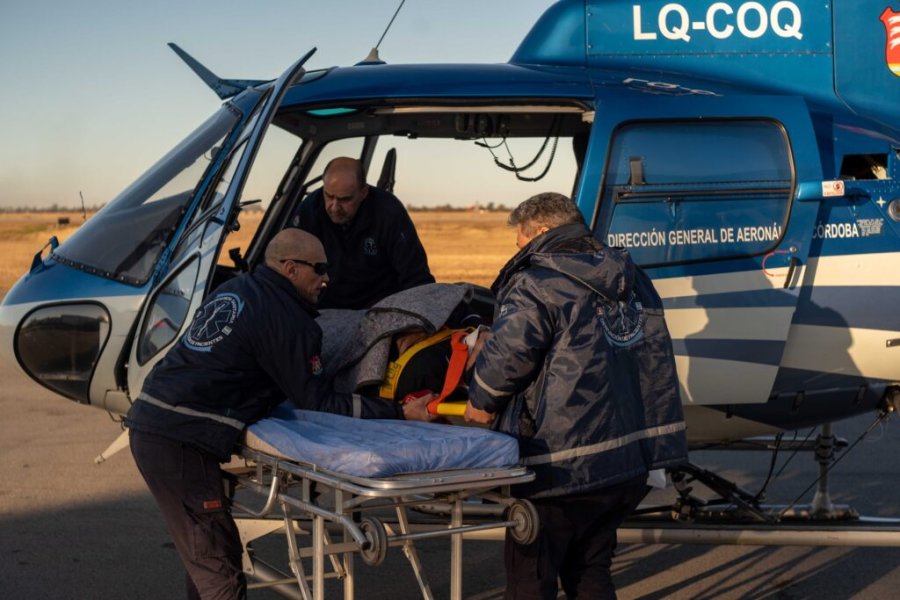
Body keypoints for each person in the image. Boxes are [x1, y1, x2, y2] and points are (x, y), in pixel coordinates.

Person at [125, 228, 435, 600]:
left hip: (156, 423)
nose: (326, 278)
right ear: (290, 268)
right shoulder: (286, 319)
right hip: (180, 442)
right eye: (319, 269)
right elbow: (318, 402)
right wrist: (399, 412)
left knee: (208, 558)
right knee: (218, 569)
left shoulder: (235, 290)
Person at [464, 192, 688, 600]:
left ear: (543, 231)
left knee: (531, 577)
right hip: (628, 462)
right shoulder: (635, 278)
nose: (520, 247)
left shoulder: (538, 282)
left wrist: (480, 401)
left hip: (560, 465)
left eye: (522, 238)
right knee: (590, 571)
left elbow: (508, 357)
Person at [288, 156, 434, 309]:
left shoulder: (389, 212)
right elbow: (288, 264)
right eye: (329, 196)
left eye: (345, 199)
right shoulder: (310, 210)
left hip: (381, 305)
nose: (334, 207)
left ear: (363, 193)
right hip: (328, 304)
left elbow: (415, 277)